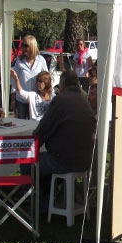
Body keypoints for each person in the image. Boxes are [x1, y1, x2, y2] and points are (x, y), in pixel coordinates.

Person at [33, 70, 96, 213]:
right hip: (84, 161)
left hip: (63, 160)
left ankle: (40, 208)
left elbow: (42, 131)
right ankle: (51, 201)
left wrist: (34, 142)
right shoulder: (84, 101)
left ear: (62, 84)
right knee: (46, 166)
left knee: (30, 164)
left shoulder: (60, 100)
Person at [11, 35, 48, 119]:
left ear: (32, 47)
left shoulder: (41, 60)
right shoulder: (19, 61)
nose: (23, 48)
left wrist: (46, 96)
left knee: (34, 125)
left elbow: (47, 79)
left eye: (26, 46)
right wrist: (13, 100)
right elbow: (13, 81)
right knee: (21, 126)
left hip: (36, 101)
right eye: (22, 45)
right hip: (21, 100)